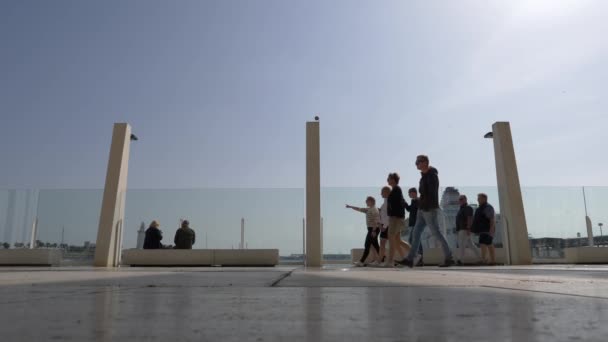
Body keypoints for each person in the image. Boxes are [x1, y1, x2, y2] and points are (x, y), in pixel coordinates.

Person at [398, 155, 454, 268]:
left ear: (425, 162)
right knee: (415, 233)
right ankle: (410, 259)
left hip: (429, 209)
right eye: (416, 162)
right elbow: (423, 193)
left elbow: (432, 194)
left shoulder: (432, 175)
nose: (416, 164)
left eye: (418, 162)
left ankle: (449, 257)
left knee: (436, 233)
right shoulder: (423, 177)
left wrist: (427, 207)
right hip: (422, 209)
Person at [346, 196, 381, 267]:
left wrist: (373, 231)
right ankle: (383, 260)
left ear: (371, 201)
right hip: (372, 229)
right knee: (376, 246)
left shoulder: (374, 209)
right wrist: (350, 206)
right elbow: (359, 209)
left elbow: (377, 221)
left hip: (373, 229)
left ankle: (361, 261)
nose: (365, 202)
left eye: (367, 201)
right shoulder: (369, 209)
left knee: (367, 245)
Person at [386, 172, 411, 267]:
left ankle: (390, 261)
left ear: (394, 180)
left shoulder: (396, 190)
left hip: (395, 217)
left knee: (391, 238)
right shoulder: (396, 190)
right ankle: (415, 255)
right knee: (397, 240)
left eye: (389, 179)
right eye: (388, 179)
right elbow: (403, 202)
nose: (388, 180)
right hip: (397, 217)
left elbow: (398, 205)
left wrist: (396, 216)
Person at [455, 195, 481, 265]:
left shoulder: (468, 208)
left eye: (461, 199)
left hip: (465, 229)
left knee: (461, 244)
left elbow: (470, 218)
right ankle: (480, 258)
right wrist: (457, 230)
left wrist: (468, 228)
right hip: (462, 229)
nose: (460, 201)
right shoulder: (461, 209)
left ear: (465, 199)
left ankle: (460, 260)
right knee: (470, 245)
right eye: (459, 199)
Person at [471, 193, 496, 265]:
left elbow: (491, 218)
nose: (478, 200)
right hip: (482, 230)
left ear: (484, 199)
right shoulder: (480, 208)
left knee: (487, 244)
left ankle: (491, 260)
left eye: (479, 198)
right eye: (478, 198)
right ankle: (486, 259)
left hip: (487, 229)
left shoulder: (487, 207)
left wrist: (491, 229)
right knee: (484, 244)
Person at [404, 187, 424, 266]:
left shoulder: (418, 201)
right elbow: (410, 210)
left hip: (416, 223)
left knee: (412, 239)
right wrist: (405, 204)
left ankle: (418, 257)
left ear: (414, 193)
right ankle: (419, 258)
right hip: (412, 223)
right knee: (416, 240)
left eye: (410, 193)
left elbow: (418, 212)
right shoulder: (413, 201)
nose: (409, 194)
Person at [378, 186, 392, 263]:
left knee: (386, 243)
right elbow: (381, 215)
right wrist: (380, 224)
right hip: (384, 226)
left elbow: (388, 216)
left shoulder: (388, 202)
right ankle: (381, 260)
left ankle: (381, 260)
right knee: (383, 243)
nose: (381, 194)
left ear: (387, 192)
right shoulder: (385, 202)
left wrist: (383, 226)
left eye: (382, 192)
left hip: (386, 226)